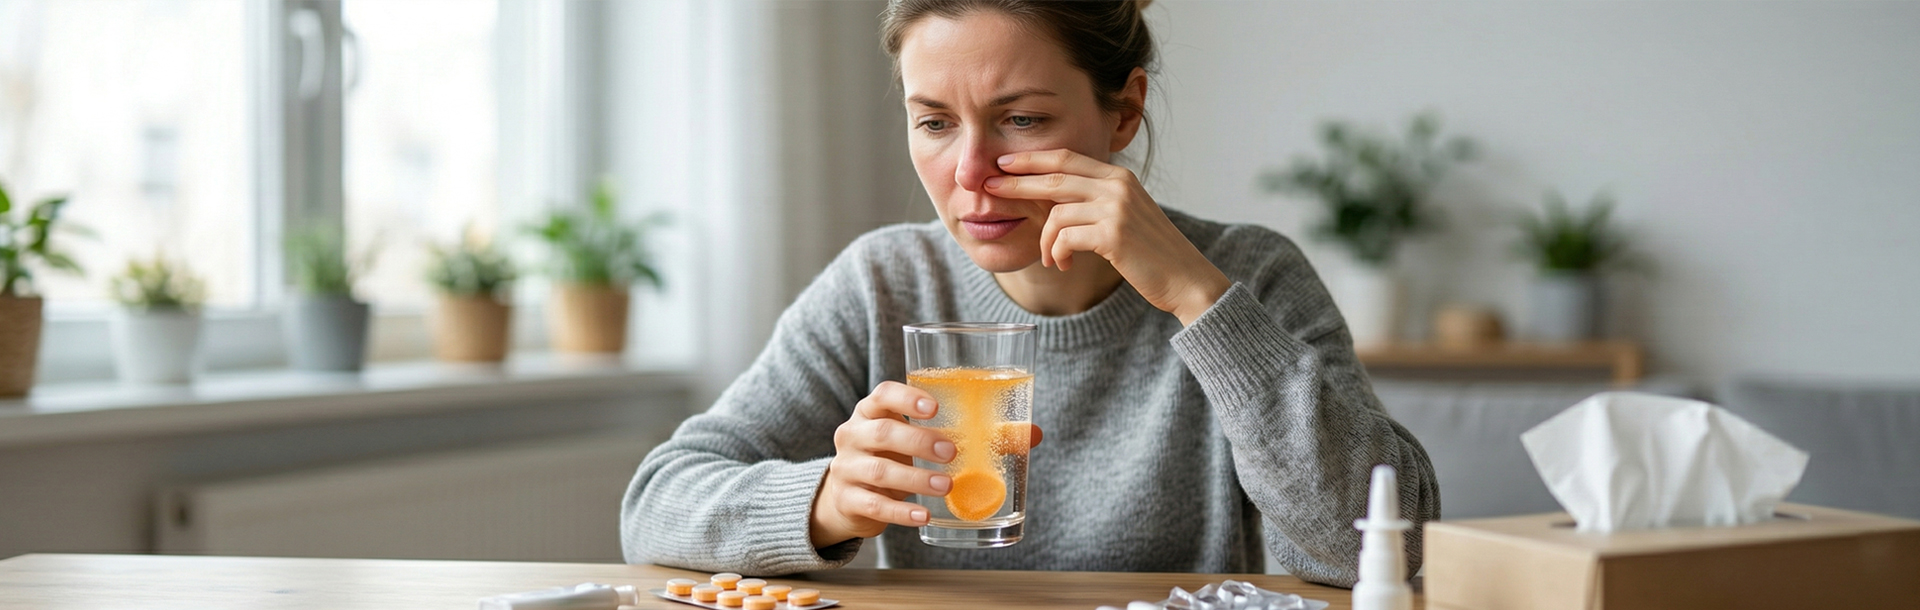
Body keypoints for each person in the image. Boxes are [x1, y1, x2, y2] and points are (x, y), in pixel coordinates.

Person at [621, 0, 1438, 587]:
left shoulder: (1247, 276)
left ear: (1122, 112)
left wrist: (1199, 297)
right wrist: (829, 499)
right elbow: (655, 503)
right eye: (935, 122)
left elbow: (1383, 554)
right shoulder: (883, 283)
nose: (970, 173)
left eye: (1021, 120)